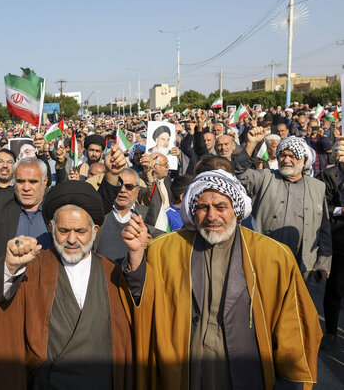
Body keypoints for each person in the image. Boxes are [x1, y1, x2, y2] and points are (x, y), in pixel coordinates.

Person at [122, 169, 322, 389]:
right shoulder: (164, 250)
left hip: (249, 373)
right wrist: (136, 258)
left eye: (221, 207)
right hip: (184, 374)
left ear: (236, 209)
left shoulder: (273, 256)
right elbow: (143, 304)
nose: (211, 216)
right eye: (202, 207)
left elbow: (294, 329)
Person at [0, 180, 133, 389]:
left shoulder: (113, 272)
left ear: (95, 230)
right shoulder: (33, 265)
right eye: (63, 230)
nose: (72, 239)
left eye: (80, 231)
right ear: (51, 227)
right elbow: (1, 295)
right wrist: (10, 266)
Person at [0, 144, 125, 276]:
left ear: (45, 181)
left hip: (52, 291)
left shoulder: (58, 205)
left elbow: (100, 206)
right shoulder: (0, 204)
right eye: (20, 181)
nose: (26, 187)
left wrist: (112, 175)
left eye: (33, 181)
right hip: (7, 291)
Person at [238, 129, 332, 280]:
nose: (286, 160)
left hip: (302, 265)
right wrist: (250, 145)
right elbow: (239, 174)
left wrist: (323, 263)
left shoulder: (318, 187)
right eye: (283, 155)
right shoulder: (265, 177)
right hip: (265, 259)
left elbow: (323, 228)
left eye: (292, 156)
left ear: (304, 161)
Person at [95, 168, 160, 264]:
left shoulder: (149, 215)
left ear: (138, 190)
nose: (122, 190)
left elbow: (162, 247)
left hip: (134, 276)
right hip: (101, 275)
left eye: (129, 186)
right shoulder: (101, 213)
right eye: (119, 185)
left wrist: (151, 244)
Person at [316, 137, 344, 350]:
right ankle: (331, 332)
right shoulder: (328, 175)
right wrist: (340, 210)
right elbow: (322, 205)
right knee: (334, 289)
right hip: (338, 239)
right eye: (339, 147)